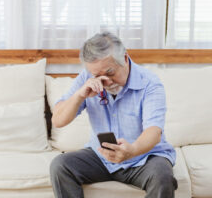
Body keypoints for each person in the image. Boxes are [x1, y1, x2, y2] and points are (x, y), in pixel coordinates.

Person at [49, 31, 177, 198]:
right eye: (98, 76)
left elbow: (154, 131)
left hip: (143, 158)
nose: (107, 82)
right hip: (100, 157)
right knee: (60, 165)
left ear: (124, 58)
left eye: (110, 73)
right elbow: (58, 120)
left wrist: (132, 150)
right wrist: (80, 95)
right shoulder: (87, 78)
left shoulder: (150, 83)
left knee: (162, 176)